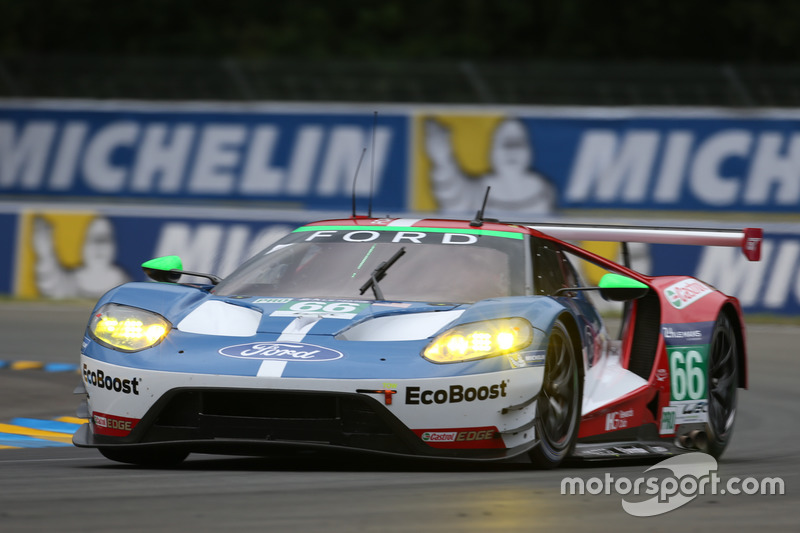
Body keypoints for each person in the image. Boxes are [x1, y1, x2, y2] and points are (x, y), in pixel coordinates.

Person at [424, 117, 557, 215]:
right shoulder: (476, 191)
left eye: (518, 143)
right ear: (492, 152)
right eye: (504, 144)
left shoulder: (545, 191)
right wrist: (443, 158)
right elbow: (451, 197)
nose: (511, 151)